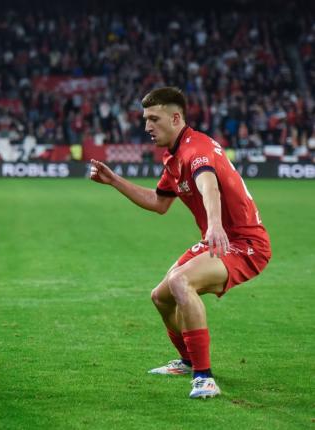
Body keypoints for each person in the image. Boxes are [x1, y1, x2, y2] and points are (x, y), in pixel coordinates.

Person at [89, 87, 271, 399]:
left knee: (180, 281)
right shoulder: (174, 156)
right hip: (219, 239)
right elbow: (159, 203)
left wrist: (214, 226)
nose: (147, 126)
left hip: (244, 243)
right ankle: (188, 361)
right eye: (145, 119)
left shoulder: (194, 149)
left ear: (176, 118)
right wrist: (115, 181)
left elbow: (208, 185)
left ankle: (205, 377)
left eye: (153, 118)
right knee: (160, 296)